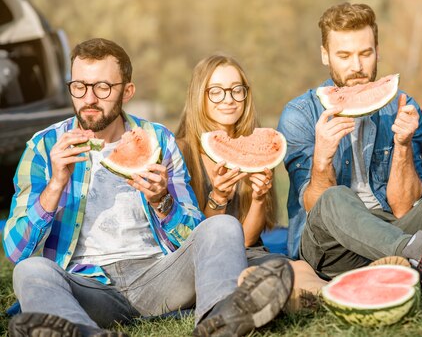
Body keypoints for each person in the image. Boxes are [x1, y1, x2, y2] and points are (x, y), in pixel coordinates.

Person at [3, 38, 293, 337]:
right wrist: (55, 185)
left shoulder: (159, 140)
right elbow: (16, 251)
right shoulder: (44, 146)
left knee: (221, 226)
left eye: (103, 87)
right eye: (79, 86)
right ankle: (86, 333)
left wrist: (162, 201)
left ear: (127, 91)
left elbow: (193, 232)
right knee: (30, 271)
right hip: (90, 287)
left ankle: (219, 322)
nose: (89, 98)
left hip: (160, 277)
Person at [277, 2, 422, 292]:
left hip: (393, 235)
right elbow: (315, 208)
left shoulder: (400, 105)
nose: (357, 67)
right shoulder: (299, 114)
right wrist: (322, 160)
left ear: (377, 50)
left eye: (365, 53)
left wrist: (402, 146)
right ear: (325, 55)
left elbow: (403, 207)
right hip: (331, 250)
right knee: (334, 196)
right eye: (344, 55)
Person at [175, 53, 327, 309]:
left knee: (298, 267)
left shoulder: (258, 147)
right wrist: (218, 199)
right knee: (255, 276)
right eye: (217, 92)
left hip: (249, 252)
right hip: (206, 262)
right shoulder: (182, 151)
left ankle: (336, 296)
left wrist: (258, 198)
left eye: (237, 90)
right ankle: (284, 297)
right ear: (199, 95)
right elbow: (196, 238)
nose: (229, 100)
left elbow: (247, 240)